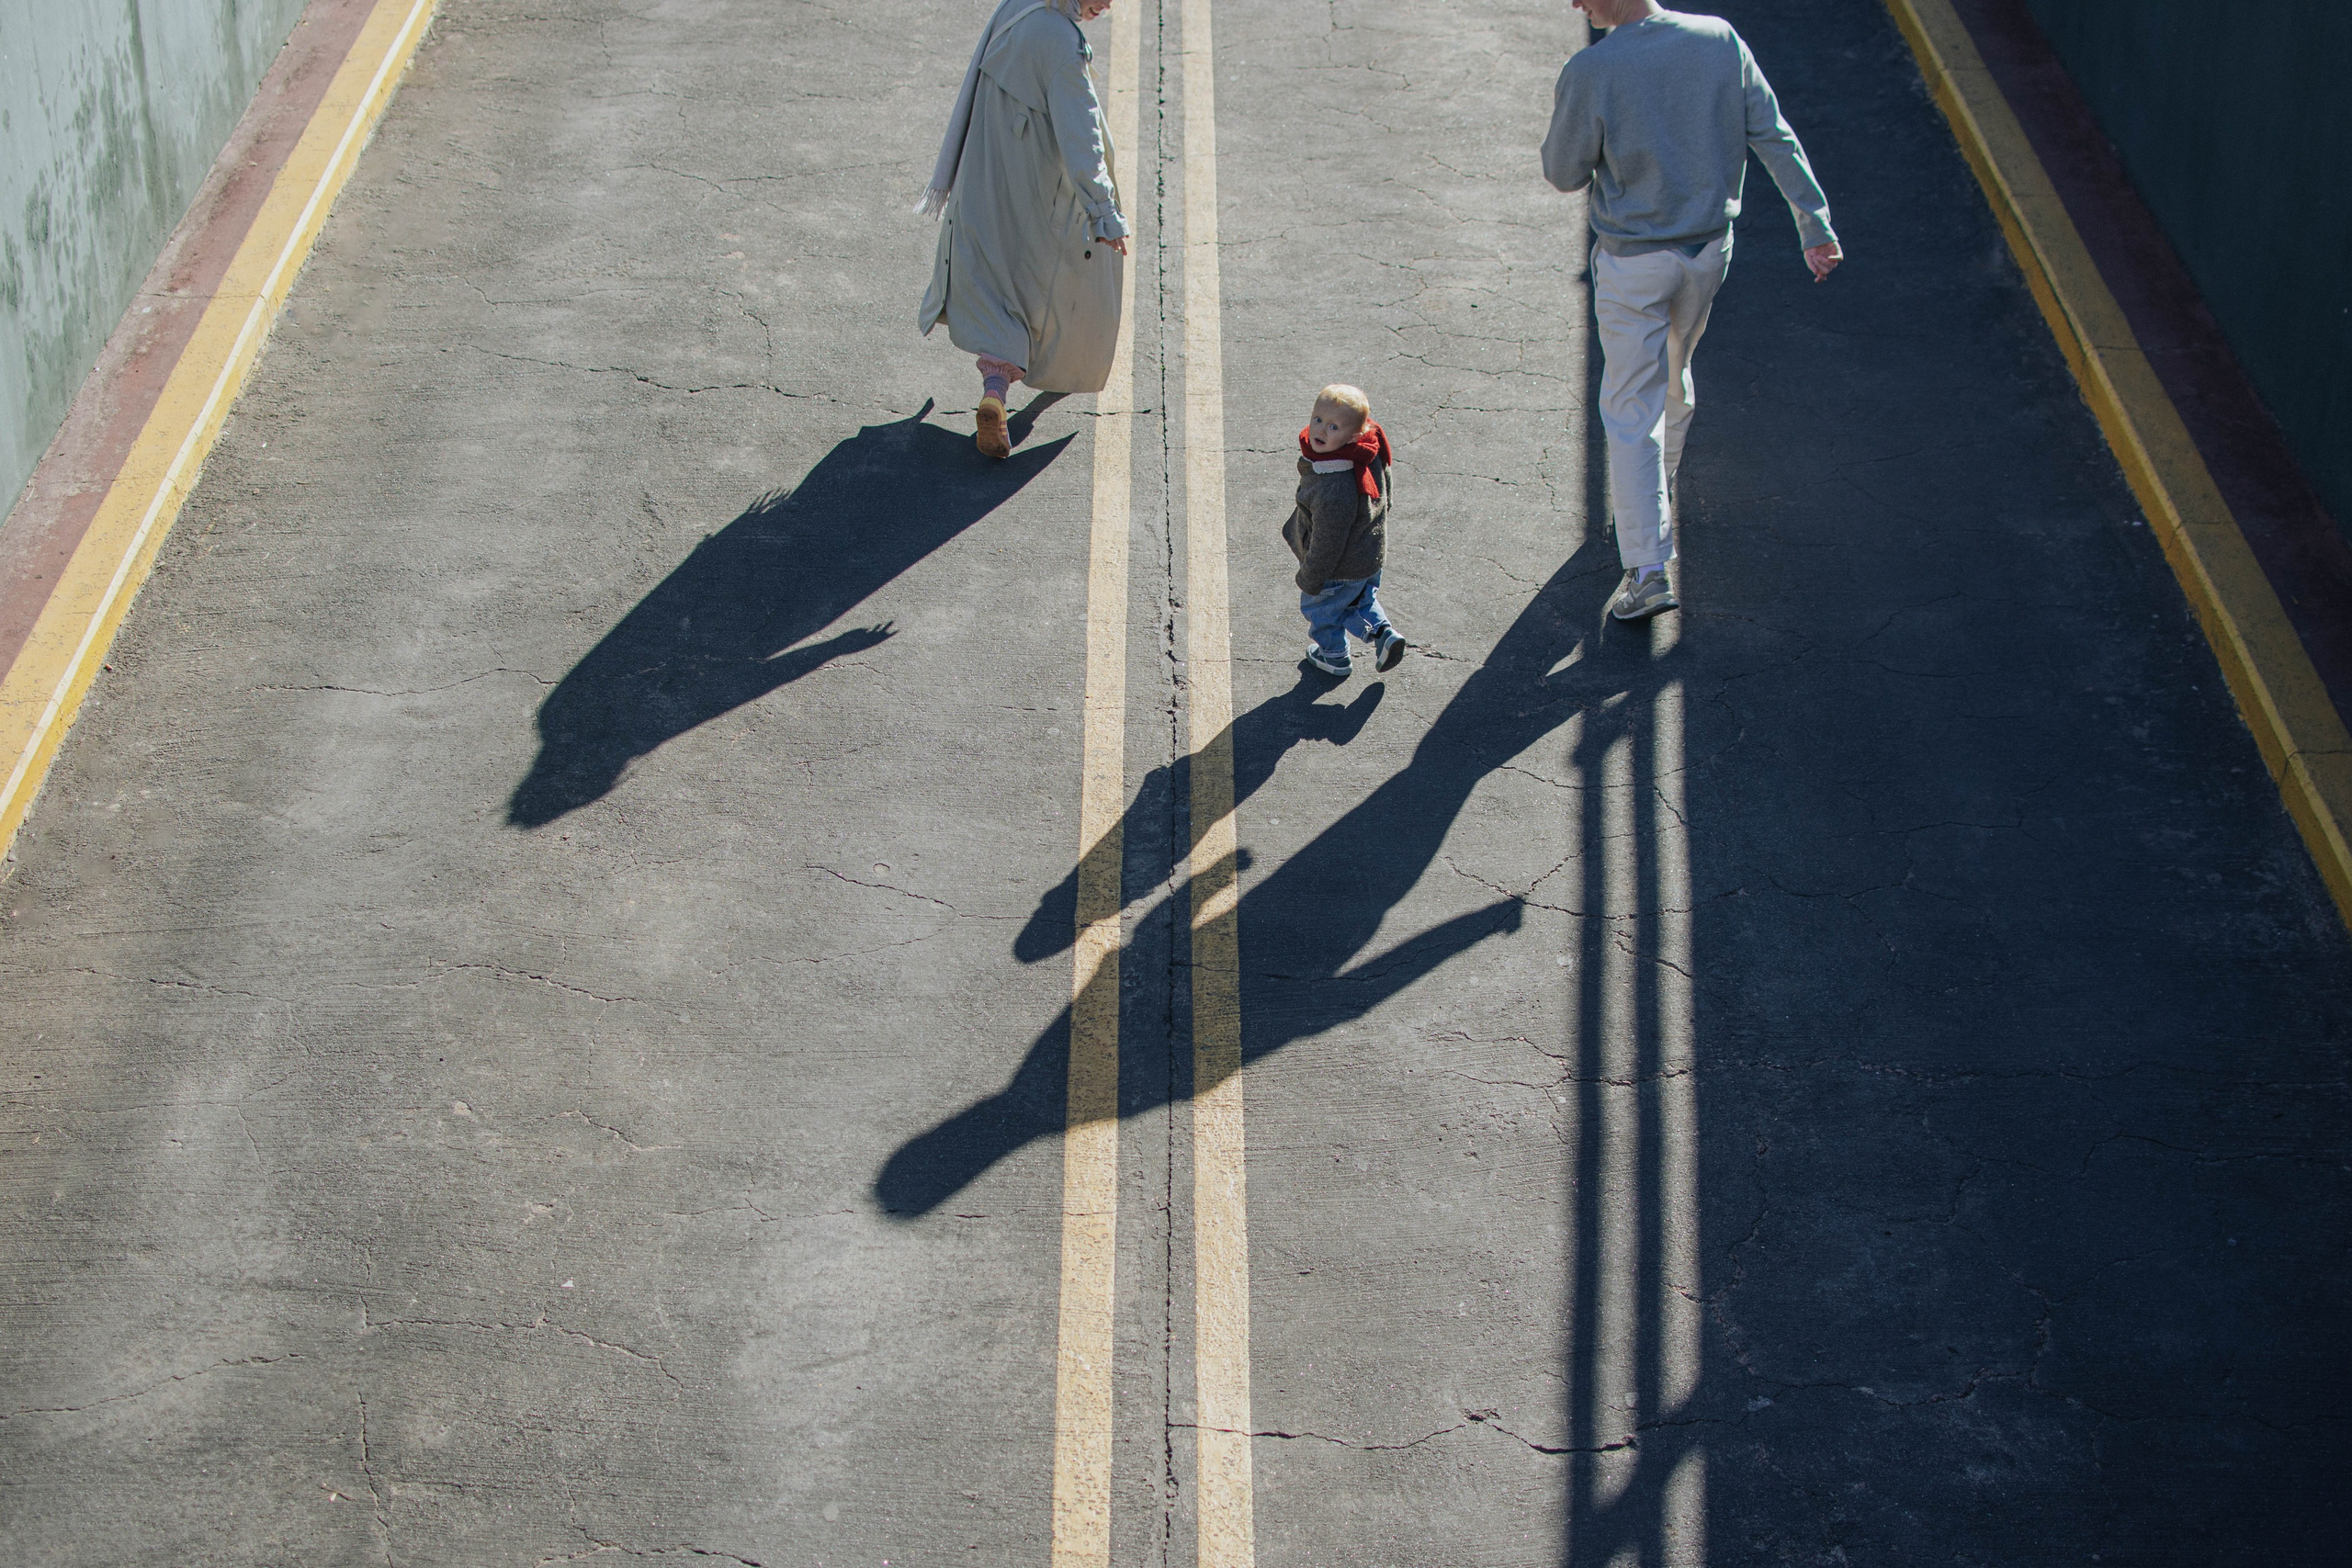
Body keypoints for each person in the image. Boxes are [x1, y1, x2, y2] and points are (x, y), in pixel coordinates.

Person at [1541, 0, 1843, 621]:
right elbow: (1773, 134)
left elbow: (1563, 172)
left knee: (1629, 407)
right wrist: (1814, 225)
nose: (1575, 4)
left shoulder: (1592, 69)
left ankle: (1647, 569)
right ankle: (1657, 490)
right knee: (1674, 370)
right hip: (1707, 256)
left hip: (1632, 263)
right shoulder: (1719, 41)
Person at [917, 0, 1131, 459]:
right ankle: (1045, 376)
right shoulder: (1062, 47)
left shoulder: (1018, 8)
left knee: (994, 288)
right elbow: (1083, 138)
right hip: (1032, 191)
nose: (1107, 5)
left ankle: (995, 388)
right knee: (1036, 290)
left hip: (982, 178)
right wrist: (1104, 212)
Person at [1284, 384, 1408, 679]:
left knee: (1324, 611)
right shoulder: (1370, 448)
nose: (1321, 430)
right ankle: (1382, 633)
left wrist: (1311, 577)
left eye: (1334, 426)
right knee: (1358, 599)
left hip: (1338, 566)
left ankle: (1334, 657)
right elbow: (1386, 494)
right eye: (1317, 419)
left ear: (1353, 435)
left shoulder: (1333, 488)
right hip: (1369, 553)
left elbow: (1328, 542)